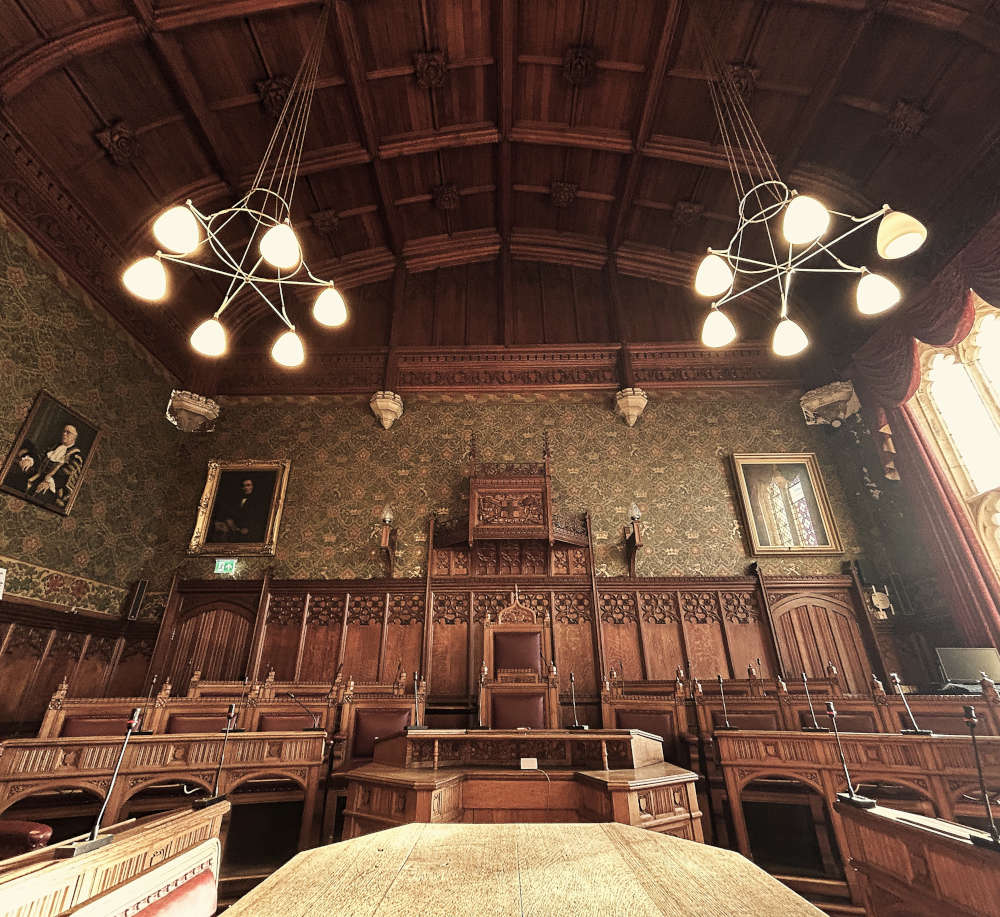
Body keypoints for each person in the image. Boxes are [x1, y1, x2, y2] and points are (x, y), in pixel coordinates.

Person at [3, 424, 85, 509]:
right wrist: (30, 460)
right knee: (14, 480)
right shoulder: (54, 446)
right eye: (64, 431)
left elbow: (66, 475)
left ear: (75, 436)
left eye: (68, 432)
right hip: (37, 476)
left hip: (55, 486)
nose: (64, 434)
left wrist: (49, 483)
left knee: (39, 497)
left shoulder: (76, 455)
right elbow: (40, 456)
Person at [212, 477, 269, 542]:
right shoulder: (237, 500)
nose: (246, 488)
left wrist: (248, 529)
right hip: (236, 529)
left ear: (253, 486)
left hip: (250, 531)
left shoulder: (259, 501)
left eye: (248, 485)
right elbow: (232, 513)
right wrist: (229, 521)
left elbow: (259, 518)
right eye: (243, 486)